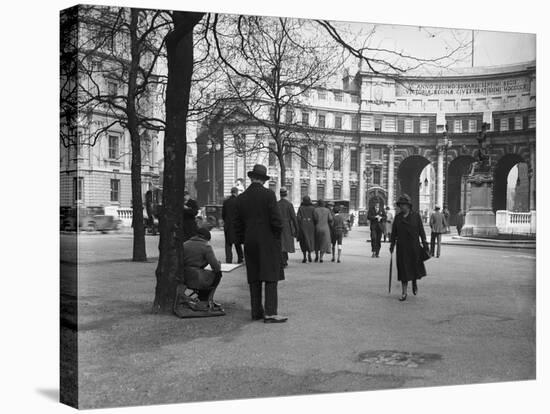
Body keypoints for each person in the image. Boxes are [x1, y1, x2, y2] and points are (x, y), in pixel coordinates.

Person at [234, 164, 287, 323]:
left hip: (250, 242)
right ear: (263, 180)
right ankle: (270, 313)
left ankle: (256, 311)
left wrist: (244, 239)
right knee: (271, 277)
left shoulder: (241, 198)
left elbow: (237, 225)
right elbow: (276, 221)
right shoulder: (269, 195)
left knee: (254, 277)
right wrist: (276, 236)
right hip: (268, 240)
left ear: (251, 178)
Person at [389, 194, 429, 301]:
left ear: (408, 206)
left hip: (413, 247)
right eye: (400, 205)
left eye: (403, 204)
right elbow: (394, 233)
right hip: (402, 248)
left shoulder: (416, 216)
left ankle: (414, 281)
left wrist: (425, 242)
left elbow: (421, 231)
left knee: (413, 267)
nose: (401, 207)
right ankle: (404, 292)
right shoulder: (398, 218)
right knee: (403, 269)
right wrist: (392, 244)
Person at [181, 227, 223, 310]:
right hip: (197, 278)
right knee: (217, 274)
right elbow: (216, 267)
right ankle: (207, 299)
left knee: (206, 274)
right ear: (206, 238)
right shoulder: (206, 247)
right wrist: (218, 263)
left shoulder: (184, 244)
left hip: (183, 276)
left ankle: (201, 298)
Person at [222, 187, 243, 264]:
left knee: (228, 244)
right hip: (236, 225)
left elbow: (223, 214)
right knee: (238, 243)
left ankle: (228, 259)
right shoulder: (239, 201)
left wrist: (226, 221)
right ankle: (240, 258)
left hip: (228, 225)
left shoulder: (226, 202)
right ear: (236, 192)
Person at [278, 187, 298, 267]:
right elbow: (294, 217)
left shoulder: (277, 204)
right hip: (287, 226)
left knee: (281, 243)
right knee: (286, 243)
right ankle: (284, 260)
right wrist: (297, 229)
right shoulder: (289, 204)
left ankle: (283, 260)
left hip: (279, 225)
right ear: (286, 194)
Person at [297, 196, 316, 263]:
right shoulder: (313, 208)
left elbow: (298, 218)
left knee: (303, 241)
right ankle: (309, 254)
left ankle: (304, 256)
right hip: (311, 226)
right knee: (310, 240)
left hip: (303, 226)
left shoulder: (300, 208)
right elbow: (315, 218)